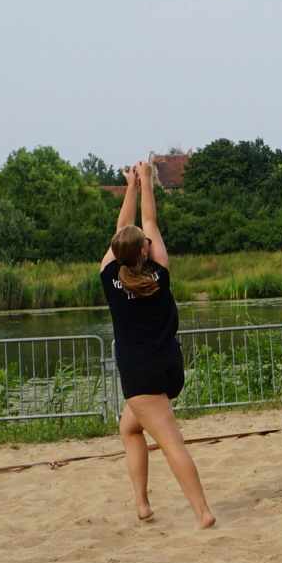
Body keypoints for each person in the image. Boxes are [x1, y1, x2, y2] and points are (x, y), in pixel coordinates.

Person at [102, 160, 215, 529]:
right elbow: (147, 224)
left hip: (141, 374)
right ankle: (142, 504)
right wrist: (146, 181)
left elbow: (124, 229)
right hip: (168, 367)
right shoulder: (158, 275)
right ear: (145, 251)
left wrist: (130, 187)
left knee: (170, 443)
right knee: (130, 429)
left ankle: (203, 512)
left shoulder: (109, 277)